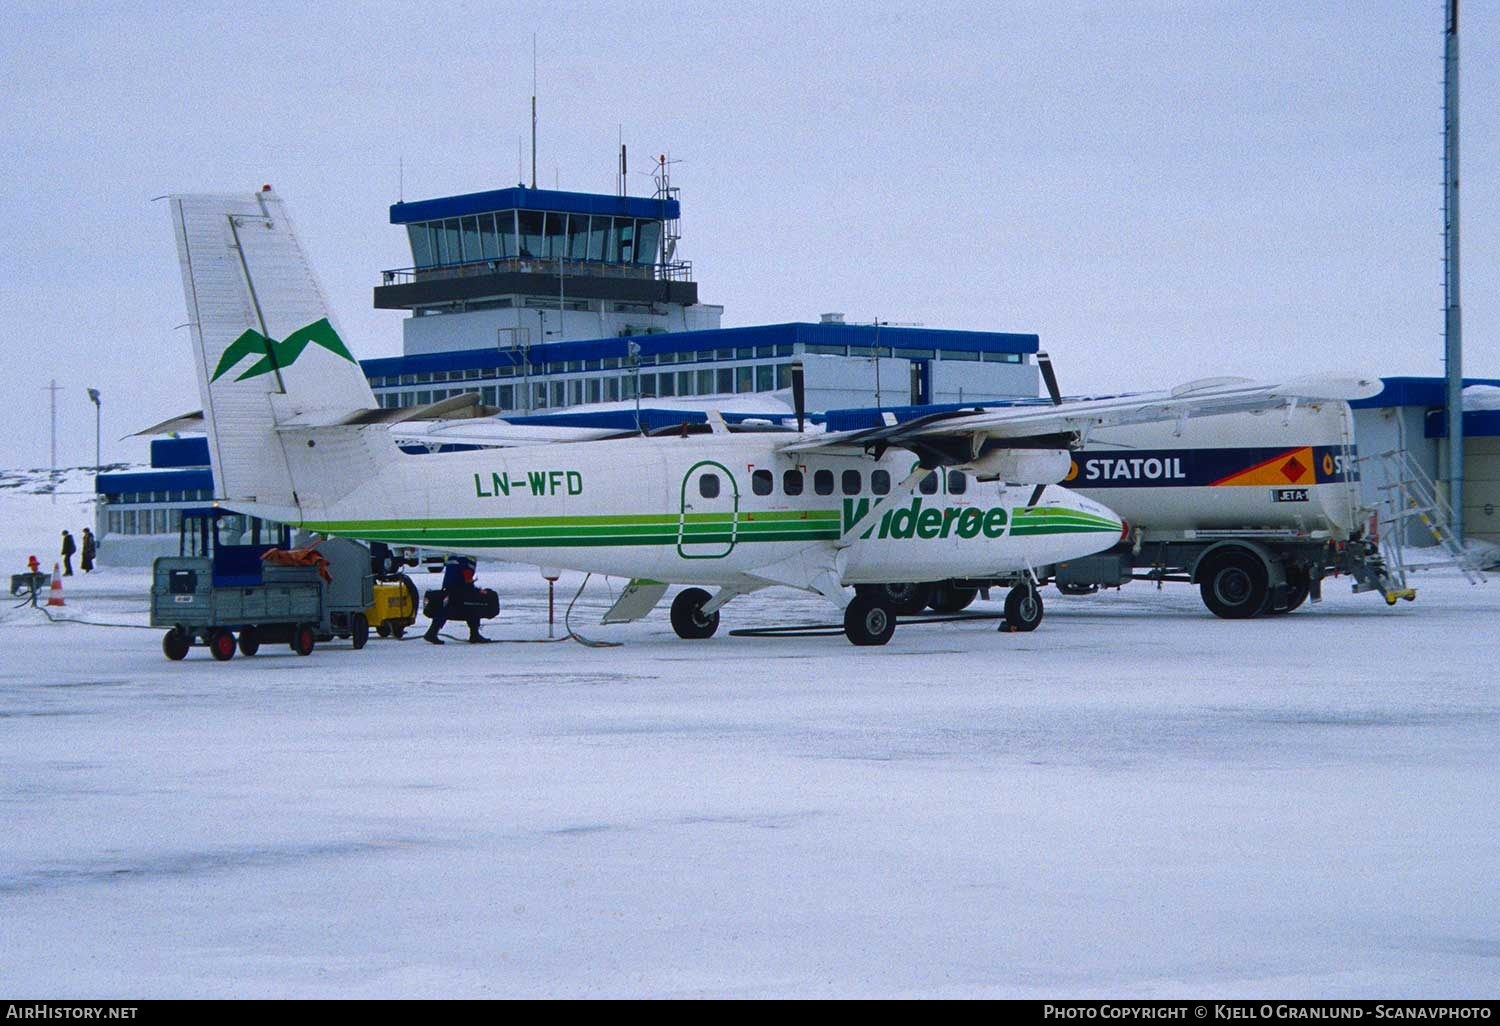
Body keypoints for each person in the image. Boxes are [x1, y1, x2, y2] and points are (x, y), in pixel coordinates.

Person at [424, 555, 488, 644]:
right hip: (459, 588)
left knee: (447, 608)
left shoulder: (455, 555)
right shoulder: (467, 557)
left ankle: (432, 632)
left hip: (449, 586)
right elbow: (467, 575)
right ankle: (474, 634)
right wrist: (476, 589)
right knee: (473, 604)